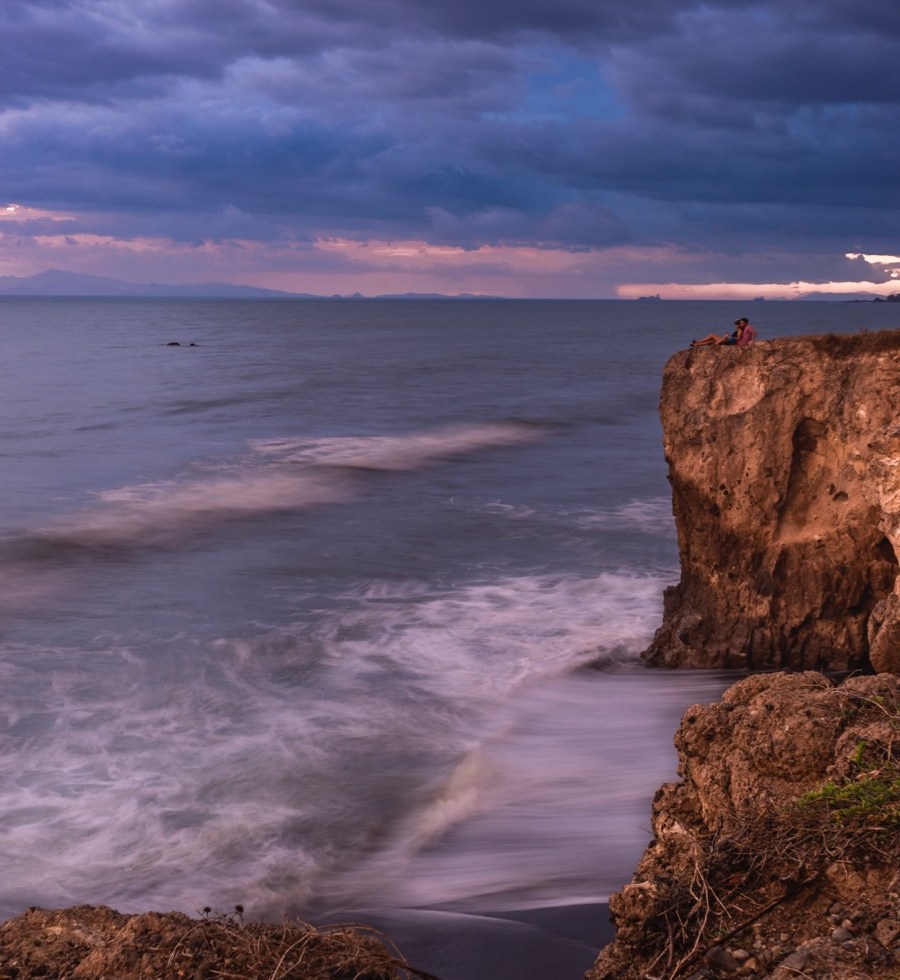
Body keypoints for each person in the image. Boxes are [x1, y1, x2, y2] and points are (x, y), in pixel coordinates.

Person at [691, 318, 757, 348]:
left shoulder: (746, 327)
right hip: (733, 341)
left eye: (741, 323)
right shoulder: (743, 328)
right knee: (711, 340)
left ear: (745, 323)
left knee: (712, 335)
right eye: (740, 323)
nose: (740, 324)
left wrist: (752, 341)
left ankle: (697, 342)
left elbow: (754, 333)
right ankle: (697, 344)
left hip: (734, 342)